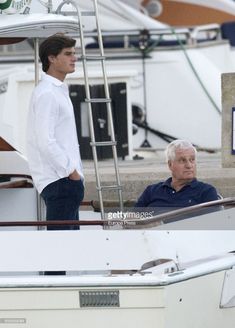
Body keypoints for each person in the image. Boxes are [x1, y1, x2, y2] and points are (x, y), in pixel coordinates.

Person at [27, 33, 84, 231]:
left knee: (67, 249)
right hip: (60, 181)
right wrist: (71, 171)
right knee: (61, 249)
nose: (74, 58)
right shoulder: (48, 93)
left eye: (74, 53)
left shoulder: (55, 90)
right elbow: (45, 140)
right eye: (68, 54)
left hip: (64, 180)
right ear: (51, 58)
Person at [135, 139, 218, 213]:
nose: (189, 165)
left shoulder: (206, 192)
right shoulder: (151, 191)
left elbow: (211, 225)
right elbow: (132, 219)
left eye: (192, 160)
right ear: (170, 165)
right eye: (182, 160)